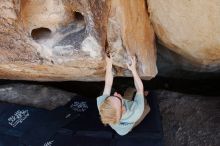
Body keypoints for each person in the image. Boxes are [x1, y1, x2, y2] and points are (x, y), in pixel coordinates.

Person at [97, 54, 150, 136]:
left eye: (112, 96)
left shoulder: (103, 106)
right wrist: (133, 70)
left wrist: (109, 64)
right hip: (128, 126)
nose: (115, 93)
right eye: (117, 98)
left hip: (119, 126)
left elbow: (108, 84)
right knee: (147, 108)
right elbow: (140, 89)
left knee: (130, 91)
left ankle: (137, 97)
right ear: (123, 109)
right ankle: (144, 97)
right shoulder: (136, 111)